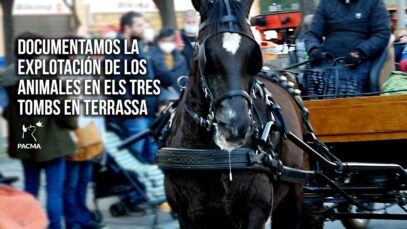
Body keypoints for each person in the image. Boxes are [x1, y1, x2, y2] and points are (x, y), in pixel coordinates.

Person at [1, 32, 77, 229]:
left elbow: (6, 110)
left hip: (26, 137)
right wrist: (73, 125)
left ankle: (28, 224)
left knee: (30, 188)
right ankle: (54, 226)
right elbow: (64, 108)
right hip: (53, 138)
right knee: (54, 190)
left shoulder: (7, 76)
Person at [303, 0, 391, 97]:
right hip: (328, 59)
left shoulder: (374, 2)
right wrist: (314, 48)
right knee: (311, 78)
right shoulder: (325, 2)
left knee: (347, 84)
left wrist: (361, 52)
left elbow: (382, 34)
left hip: (361, 60)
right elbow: (312, 34)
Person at [104, 11, 157, 163]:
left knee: (151, 159)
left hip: (148, 112)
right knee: (135, 159)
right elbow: (116, 83)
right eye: (139, 25)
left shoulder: (138, 47)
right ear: (127, 28)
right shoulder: (116, 50)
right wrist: (133, 109)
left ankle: (147, 188)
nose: (143, 28)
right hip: (134, 115)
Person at [150, 28, 189, 104]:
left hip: (181, 100)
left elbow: (185, 79)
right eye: (165, 41)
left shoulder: (181, 59)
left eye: (170, 41)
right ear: (159, 41)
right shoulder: (151, 58)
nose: (168, 44)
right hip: (161, 102)